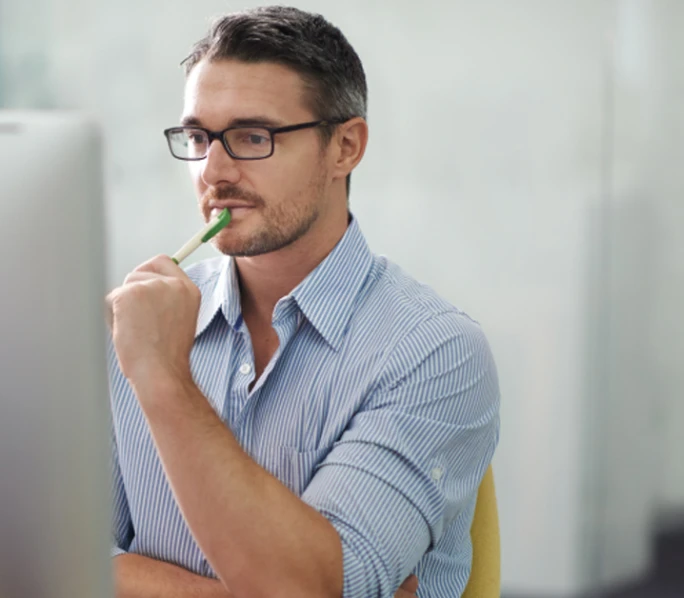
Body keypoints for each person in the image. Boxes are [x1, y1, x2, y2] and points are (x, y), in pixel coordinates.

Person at [105, 6, 500, 597]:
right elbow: (52, 563)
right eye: (199, 138)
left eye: (252, 137)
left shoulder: (435, 352)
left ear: (345, 147)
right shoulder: (134, 324)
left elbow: (317, 587)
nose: (213, 171)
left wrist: (164, 379)